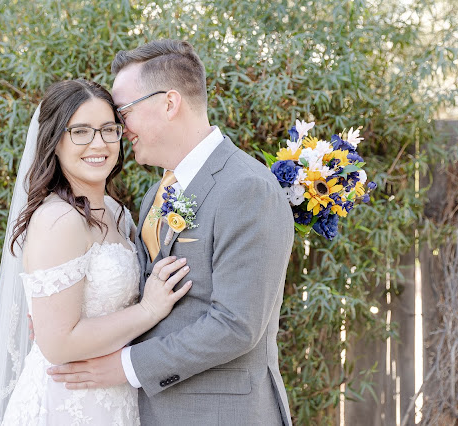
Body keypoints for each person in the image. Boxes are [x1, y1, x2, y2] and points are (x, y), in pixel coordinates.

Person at [47, 40, 295, 425]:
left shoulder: (247, 187)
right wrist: (67, 311)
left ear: (169, 103)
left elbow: (236, 325)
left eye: (123, 111)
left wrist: (127, 366)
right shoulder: (155, 193)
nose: (119, 128)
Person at [0, 78, 192, 425]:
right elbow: (57, 344)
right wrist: (149, 309)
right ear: (55, 142)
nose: (98, 143)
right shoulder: (58, 220)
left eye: (108, 130)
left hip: (115, 396)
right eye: (80, 132)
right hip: (66, 403)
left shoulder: (117, 212)